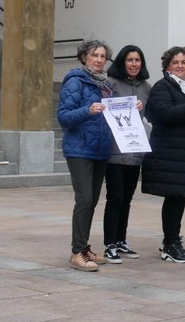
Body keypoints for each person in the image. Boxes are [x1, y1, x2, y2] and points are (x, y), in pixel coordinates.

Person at [142, 46, 185, 263]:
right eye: (175, 62)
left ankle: (172, 239)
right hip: (169, 152)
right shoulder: (162, 86)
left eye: (184, 62)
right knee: (174, 196)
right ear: (167, 66)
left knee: (180, 195)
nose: (180, 66)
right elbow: (165, 113)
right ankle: (170, 243)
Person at [58, 39, 114, 272]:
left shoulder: (105, 85)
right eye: (94, 55)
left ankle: (84, 248)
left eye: (102, 56)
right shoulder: (75, 80)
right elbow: (64, 117)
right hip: (79, 149)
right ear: (84, 57)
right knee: (84, 199)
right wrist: (88, 110)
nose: (99, 60)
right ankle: (76, 252)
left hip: (99, 150)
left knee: (91, 201)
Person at [102, 44, 152, 264]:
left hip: (135, 150)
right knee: (115, 197)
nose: (134, 64)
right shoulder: (110, 84)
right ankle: (109, 244)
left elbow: (150, 115)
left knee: (128, 199)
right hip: (114, 151)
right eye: (130, 60)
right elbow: (102, 113)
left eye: (137, 60)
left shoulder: (146, 87)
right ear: (122, 62)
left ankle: (121, 240)